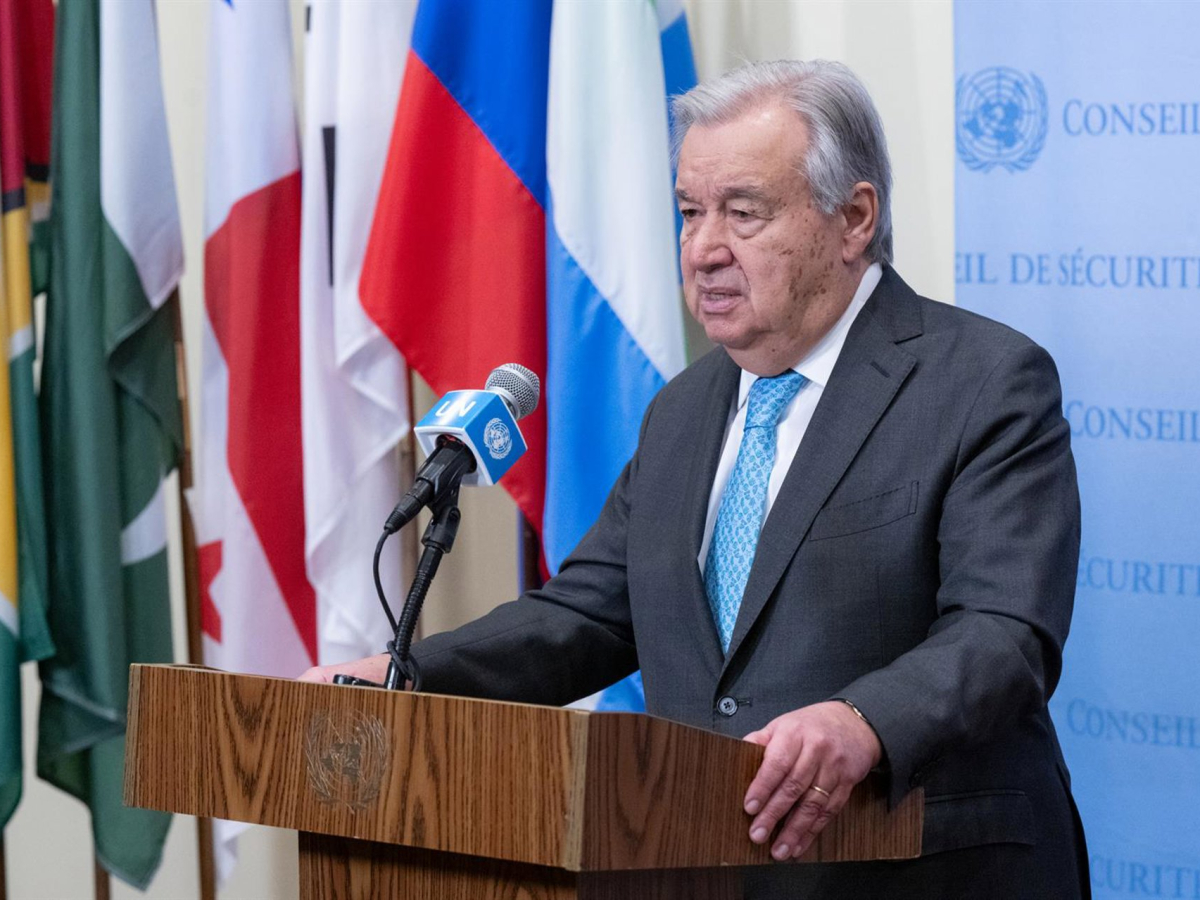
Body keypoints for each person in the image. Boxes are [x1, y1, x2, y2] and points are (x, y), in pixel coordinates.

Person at [302, 60, 1088, 898]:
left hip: (923, 870)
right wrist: (404, 678)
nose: (704, 249)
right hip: (700, 866)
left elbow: (1004, 632)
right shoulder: (683, 408)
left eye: (743, 213)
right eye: (689, 212)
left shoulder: (982, 382)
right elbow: (587, 614)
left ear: (854, 218)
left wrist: (864, 721)